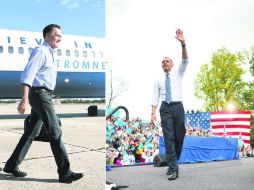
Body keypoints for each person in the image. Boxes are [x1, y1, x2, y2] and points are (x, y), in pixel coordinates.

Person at [3, 24, 83, 183]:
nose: (60, 37)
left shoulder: (50, 53)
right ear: (47, 36)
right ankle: (65, 172)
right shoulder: (41, 51)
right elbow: (28, 75)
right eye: (57, 35)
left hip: (42, 94)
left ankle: (12, 164)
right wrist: (24, 98)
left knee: (31, 132)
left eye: (61, 35)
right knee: (55, 131)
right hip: (40, 95)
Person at [151, 29, 188, 180]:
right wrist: (153, 113)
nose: (165, 62)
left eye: (167, 61)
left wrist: (183, 44)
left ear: (172, 65)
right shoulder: (158, 80)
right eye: (163, 61)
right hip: (165, 108)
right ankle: (173, 169)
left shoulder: (178, 73)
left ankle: (173, 162)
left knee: (179, 137)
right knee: (169, 138)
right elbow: (154, 97)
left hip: (178, 107)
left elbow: (185, 60)